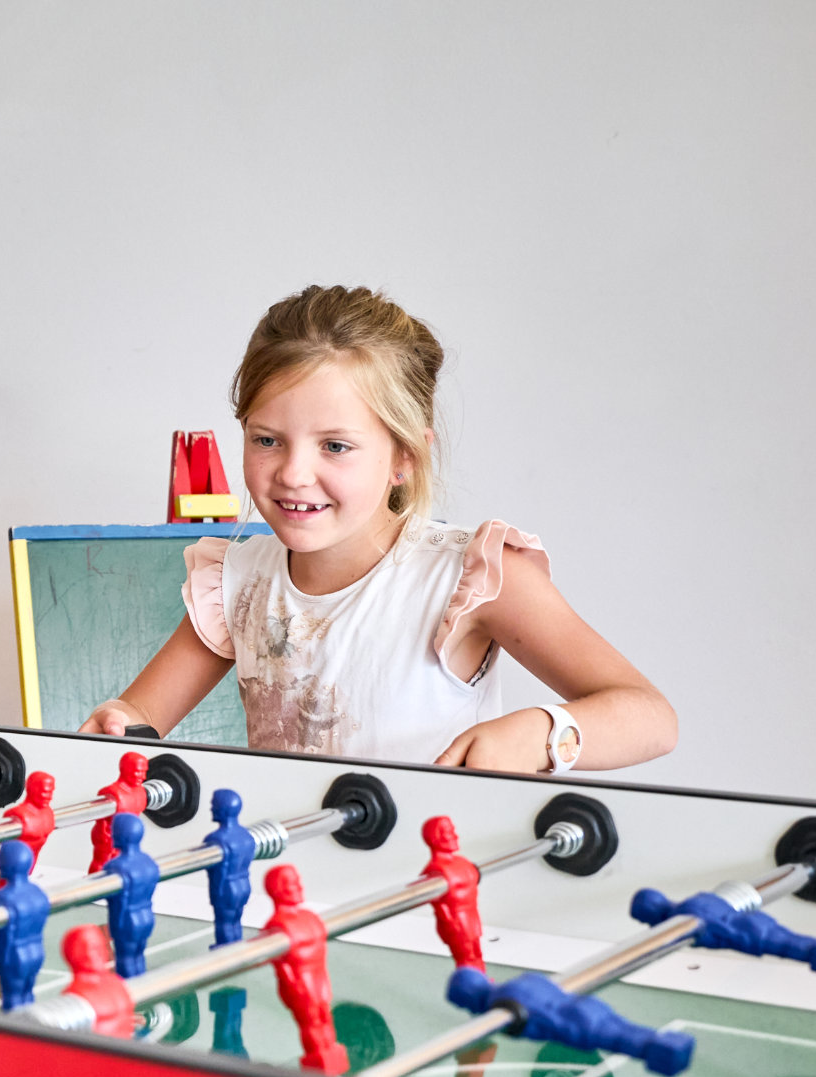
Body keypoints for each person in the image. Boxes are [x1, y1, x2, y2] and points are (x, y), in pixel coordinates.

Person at [83, 285, 676, 773]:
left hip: (426, 889)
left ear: (404, 457)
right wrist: (118, 722)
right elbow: (138, 716)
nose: (293, 473)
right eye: (267, 440)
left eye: (335, 446)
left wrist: (542, 732)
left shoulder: (470, 578)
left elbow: (651, 715)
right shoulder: (235, 582)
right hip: (286, 880)